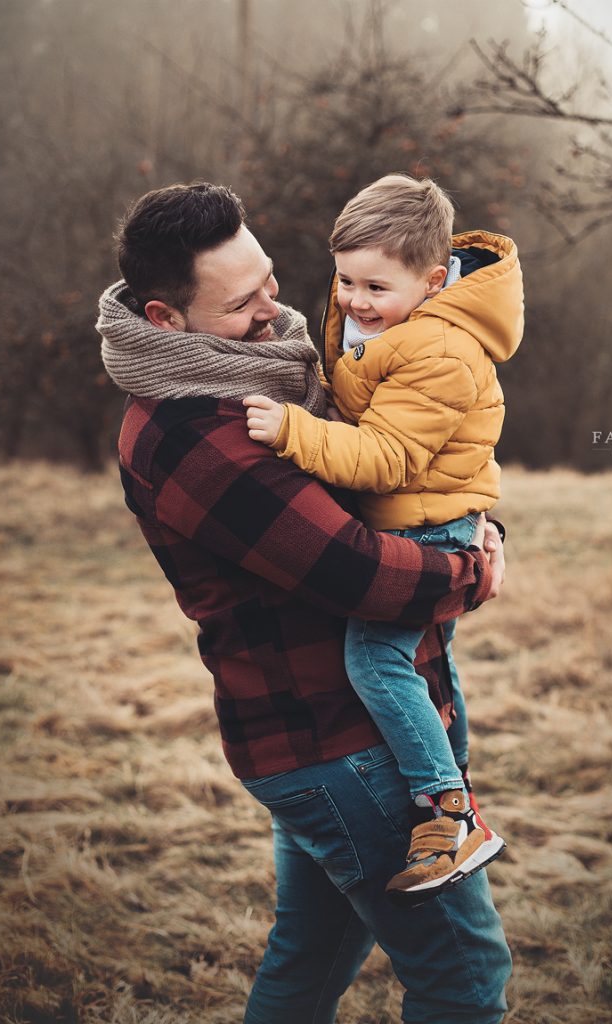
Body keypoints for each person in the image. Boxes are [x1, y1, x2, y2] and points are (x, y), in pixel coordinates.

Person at [96, 181, 511, 1024]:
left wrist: (464, 514)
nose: (274, 309)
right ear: (165, 319)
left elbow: (399, 459)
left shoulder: (270, 371)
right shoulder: (194, 434)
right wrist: (470, 570)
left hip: (337, 729)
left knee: (312, 956)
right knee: (465, 976)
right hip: (333, 740)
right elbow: (356, 571)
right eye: (243, 301)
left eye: (272, 280)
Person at [244, 174, 524, 903]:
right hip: (416, 514)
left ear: (433, 282)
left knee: (373, 659)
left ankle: (449, 810)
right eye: (344, 280)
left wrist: (292, 432)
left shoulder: (440, 352)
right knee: (417, 653)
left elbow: (386, 457)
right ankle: (451, 775)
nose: (353, 300)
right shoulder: (384, 319)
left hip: (429, 525)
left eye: (374, 286)